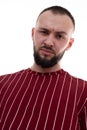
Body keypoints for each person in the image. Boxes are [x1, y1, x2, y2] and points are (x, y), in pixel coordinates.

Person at [0, 5, 87, 130]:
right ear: (33, 33)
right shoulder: (2, 84)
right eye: (44, 32)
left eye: (59, 36)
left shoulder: (83, 93)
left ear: (69, 44)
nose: (49, 42)